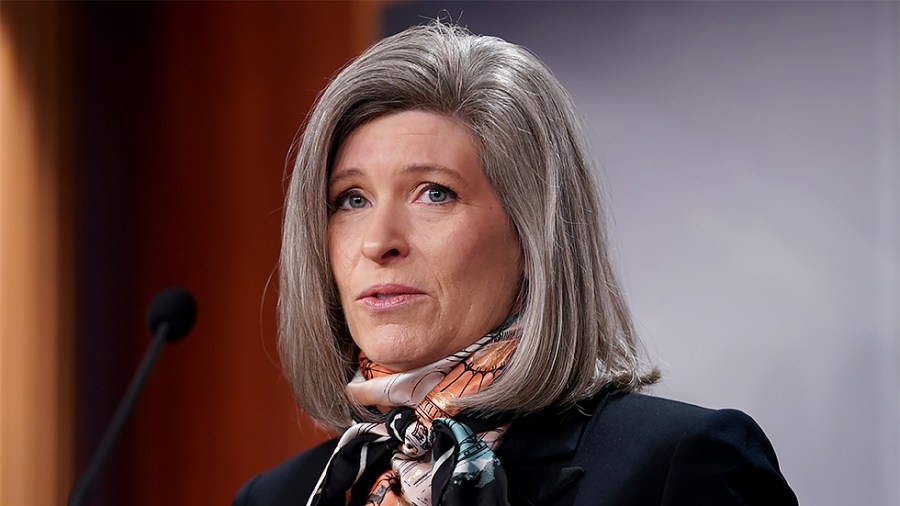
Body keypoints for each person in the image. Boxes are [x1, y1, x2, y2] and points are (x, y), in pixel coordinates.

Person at [235, 21, 797, 506]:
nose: (378, 241)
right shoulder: (276, 496)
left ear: (532, 236)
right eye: (351, 200)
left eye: (434, 192)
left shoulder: (677, 466)